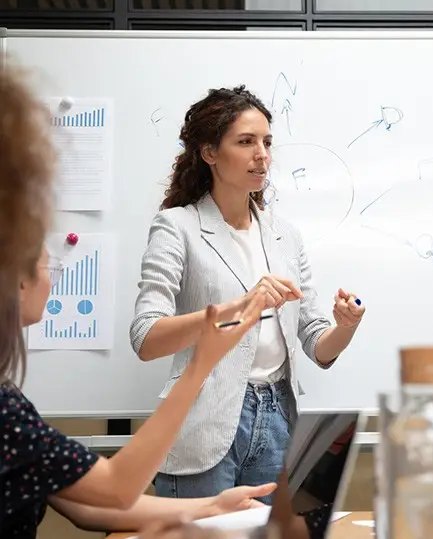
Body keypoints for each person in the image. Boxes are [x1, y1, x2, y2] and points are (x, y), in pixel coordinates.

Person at [0, 64, 274, 538]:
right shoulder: (8, 417)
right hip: (203, 437)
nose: (261, 155)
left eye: (267, 142)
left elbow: (89, 508)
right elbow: (113, 491)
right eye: (47, 263)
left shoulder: (11, 405)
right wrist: (201, 363)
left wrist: (209, 506)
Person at [129, 85, 366, 501]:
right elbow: (146, 338)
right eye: (246, 142)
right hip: (201, 422)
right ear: (209, 152)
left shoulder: (285, 235)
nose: (262, 155)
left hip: (277, 420)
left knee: (268, 532)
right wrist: (240, 307)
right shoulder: (177, 227)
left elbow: (317, 344)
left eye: (267, 143)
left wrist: (345, 327)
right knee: (203, 532)